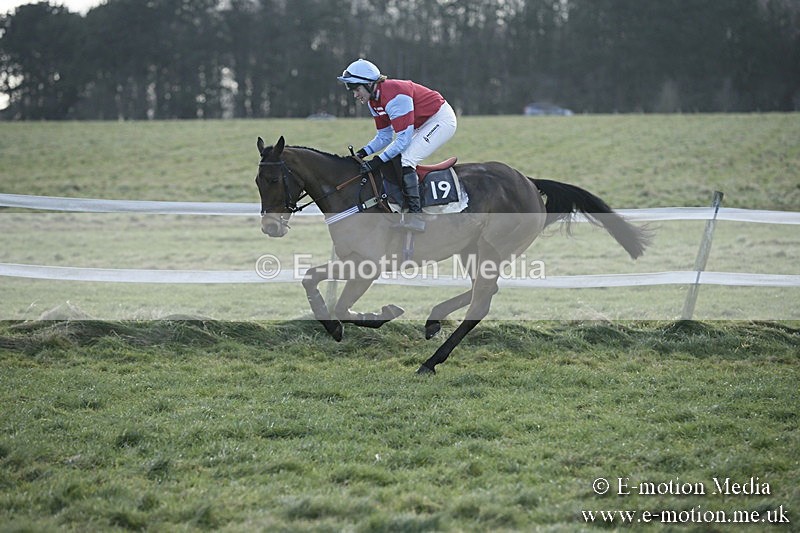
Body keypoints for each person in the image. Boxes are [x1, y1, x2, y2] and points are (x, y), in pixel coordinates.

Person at [337, 59, 457, 232]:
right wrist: (363, 153)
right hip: (422, 124)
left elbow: (403, 140)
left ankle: (416, 217)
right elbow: (384, 137)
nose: (355, 95)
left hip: (441, 120)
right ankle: (401, 206)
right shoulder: (374, 101)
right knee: (394, 157)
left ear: (369, 84)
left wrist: (376, 161)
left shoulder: (395, 96)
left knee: (407, 159)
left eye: (356, 89)